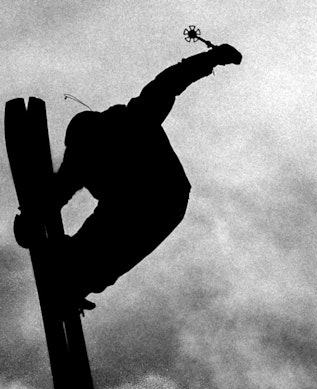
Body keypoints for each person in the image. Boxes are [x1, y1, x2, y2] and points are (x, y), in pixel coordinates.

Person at [14, 42, 243, 308]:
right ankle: (80, 276)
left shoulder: (135, 119)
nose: (86, 161)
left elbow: (170, 81)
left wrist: (212, 58)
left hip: (161, 192)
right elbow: (59, 192)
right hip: (165, 203)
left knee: (115, 224)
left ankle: (78, 270)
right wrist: (32, 217)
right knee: (119, 235)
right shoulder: (80, 160)